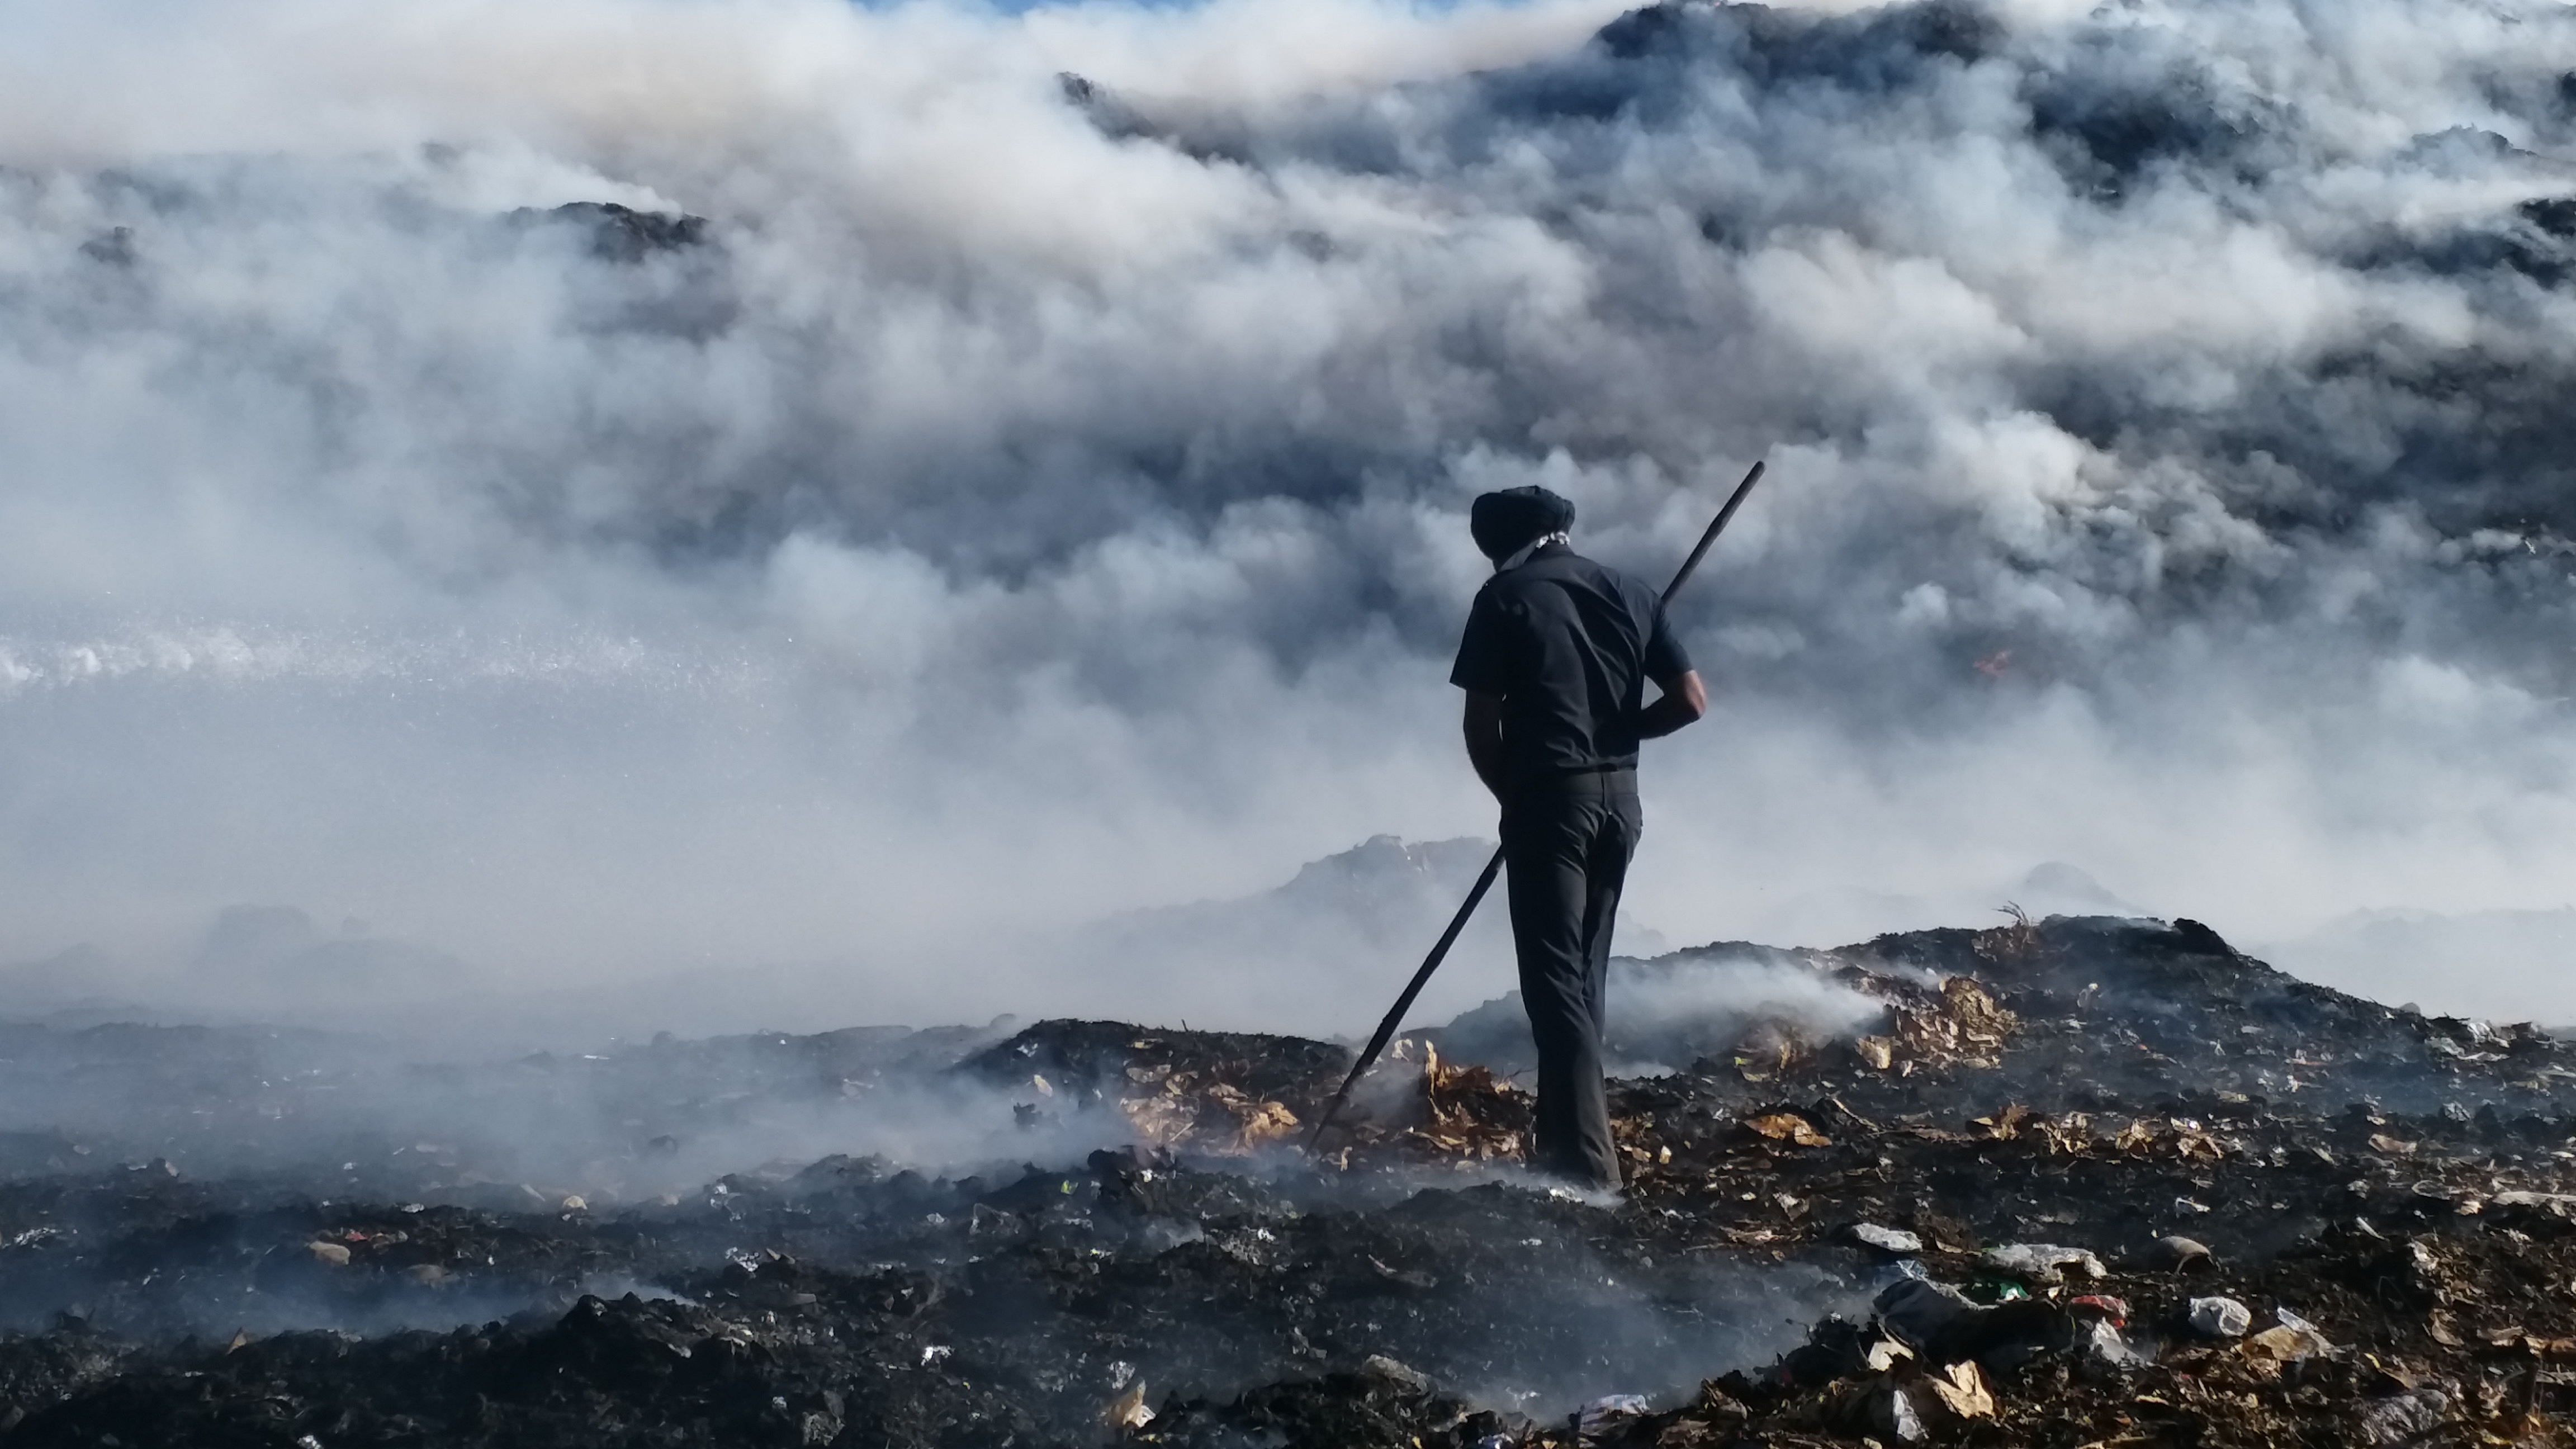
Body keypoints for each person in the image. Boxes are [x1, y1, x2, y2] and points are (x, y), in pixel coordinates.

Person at [1448, 485, 1707, 1191]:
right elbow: (1690, 702)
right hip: (1622, 802)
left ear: (1497, 545)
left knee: (1555, 983)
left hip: (1550, 800)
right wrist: (1622, 735)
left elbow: (1480, 730)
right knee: (1586, 974)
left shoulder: (1503, 599)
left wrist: (1519, 799)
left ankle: (1591, 1174)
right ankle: (1560, 1147)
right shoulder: (1631, 590)